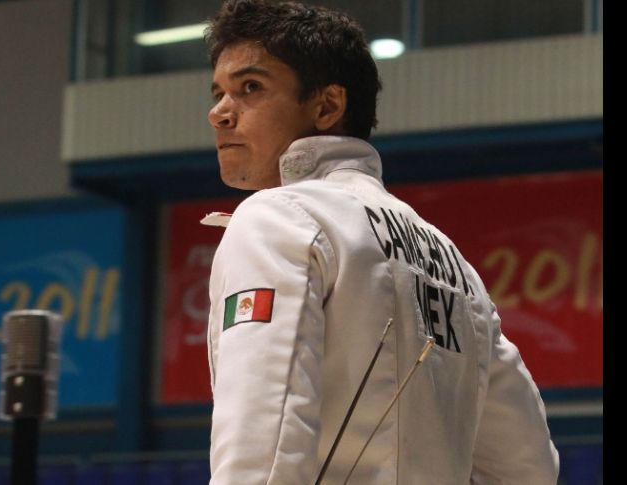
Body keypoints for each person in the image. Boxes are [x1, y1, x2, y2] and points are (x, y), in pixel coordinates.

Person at [203, 1, 560, 483]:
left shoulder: (277, 220)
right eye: (219, 93)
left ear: (327, 105)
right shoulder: (454, 264)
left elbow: (264, 438)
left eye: (250, 88)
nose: (220, 113)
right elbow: (529, 468)